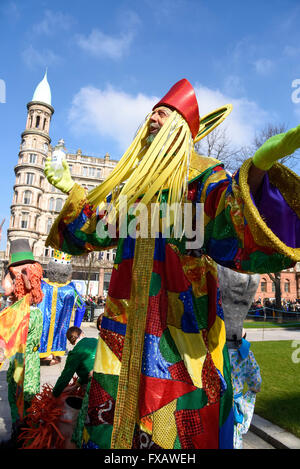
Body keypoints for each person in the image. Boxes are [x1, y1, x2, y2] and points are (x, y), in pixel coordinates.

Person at [44, 78, 300, 449]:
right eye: (152, 112)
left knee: (177, 436)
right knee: (111, 430)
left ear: (181, 130)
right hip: (122, 333)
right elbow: (93, 231)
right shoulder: (131, 190)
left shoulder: (203, 177)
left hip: (181, 340)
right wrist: (72, 191)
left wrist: (257, 171)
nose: (154, 116)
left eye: (164, 113)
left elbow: (228, 221)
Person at [1, 239, 43, 445]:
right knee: (29, 400)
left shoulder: (18, 312)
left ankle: (20, 436)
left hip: (20, 362)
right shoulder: (37, 312)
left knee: (16, 398)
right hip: (33, 363)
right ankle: (31, 436)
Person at [217, 265, 262, 449]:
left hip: (213, 412)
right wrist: (246, 401)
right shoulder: (246, 354)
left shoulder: (213, 352)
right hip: (233, 413)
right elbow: (256, 383)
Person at [39, 250, 85, 366]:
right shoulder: (70, 288)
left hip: (40, 328)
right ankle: (53, 354)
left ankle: (44, 354)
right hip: (60, 329)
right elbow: (81, 306)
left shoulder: (42, 284)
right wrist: (76, 328)